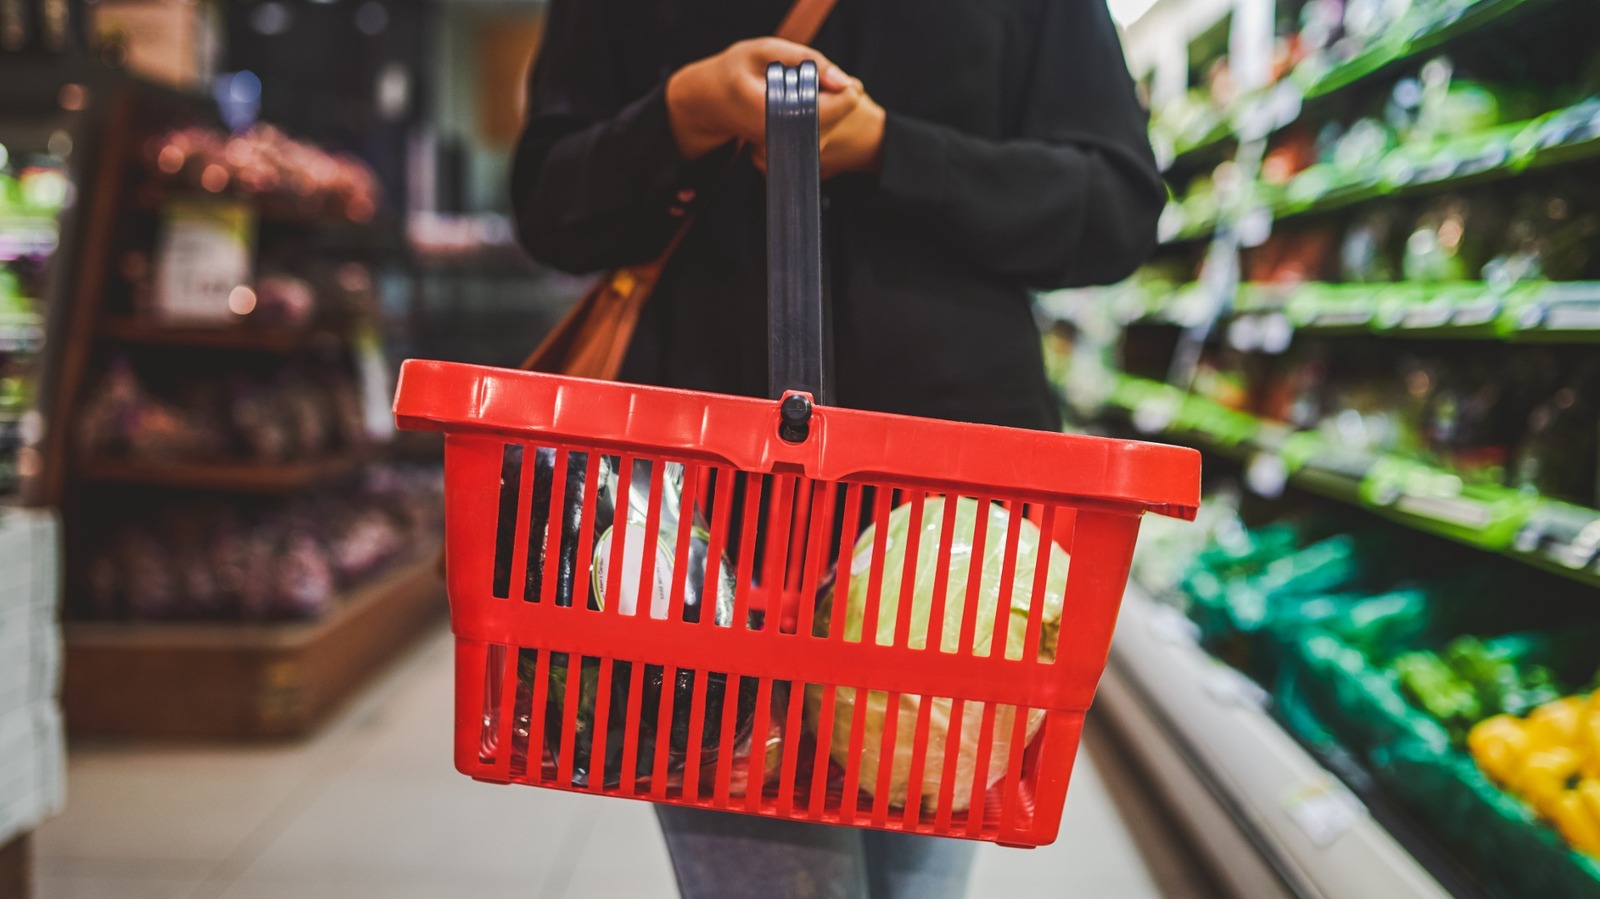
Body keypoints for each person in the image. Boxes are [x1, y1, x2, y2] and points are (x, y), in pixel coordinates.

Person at [510, 1, 1163, 896]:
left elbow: (1118, 206)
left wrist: (895, 150)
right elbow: (549, 204)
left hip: (957, 544)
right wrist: (683, 112)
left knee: (916, 879)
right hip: (704, 534)